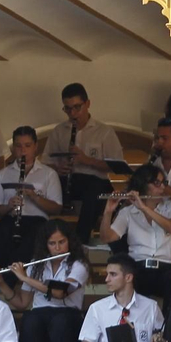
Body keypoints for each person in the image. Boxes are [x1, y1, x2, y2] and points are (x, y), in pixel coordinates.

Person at [4, 221, 89, 342]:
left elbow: (60, 293)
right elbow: (22, 303)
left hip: (68, 316)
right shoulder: (36, 265)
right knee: (30, 319)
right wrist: (1, 283)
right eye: (52, 243)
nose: (57, 248)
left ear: (69, 241)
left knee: (60, 322)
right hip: (40, 317)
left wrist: (25, 278)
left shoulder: (79, 265)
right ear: (45, 245)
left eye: (62, 242)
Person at [0, 126, 63, 295]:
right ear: (13, 148)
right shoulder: (2, 174)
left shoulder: (49, 174)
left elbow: (56, 207)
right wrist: (8, 206)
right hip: (10, 218)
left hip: (37, 220)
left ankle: (7, 282)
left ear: (35, 147)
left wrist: (34, 197)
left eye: (27, 146)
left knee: (33, 238)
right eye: (18, 146)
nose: (23, 150)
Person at [102, 162, 171, 327]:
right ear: (143, 185)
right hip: (139, 266)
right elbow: (108, 237)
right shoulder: (127, 212)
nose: (162, 188)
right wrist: (108, 212)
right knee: (128, 283)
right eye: (157, 183)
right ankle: (133, 332)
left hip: (168, 267)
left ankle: (168, 336)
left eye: (163, 183)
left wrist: (143, 207)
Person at [46, 83, 124, 240]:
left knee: (95, 190)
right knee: (46, 190)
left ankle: (80, 239)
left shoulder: (104, 132)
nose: (73, 113)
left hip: (96, 183)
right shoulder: (59, 131)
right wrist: (58, 168)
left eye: (77, 107)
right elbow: (46, 162)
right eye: (68, 109)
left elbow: (117, 166)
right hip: (67, 181)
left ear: (87, 104)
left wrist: (87, 160)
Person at [79, 255, 165, 342]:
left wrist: (158, 338)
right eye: (107, 274)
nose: (107, 279)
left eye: (113, 274)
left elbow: (162, 336)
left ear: (128, 277)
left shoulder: (151, 307)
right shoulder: (97, 308)